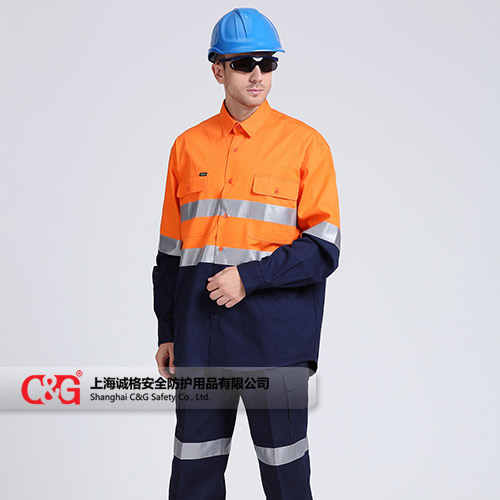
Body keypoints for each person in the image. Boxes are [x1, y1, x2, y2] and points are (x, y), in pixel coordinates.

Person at [152, 7, 341, 499]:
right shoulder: (187, 147)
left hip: (276, 342)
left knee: (285, 475)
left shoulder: (305, 145)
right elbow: (170, 254)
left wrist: (248, 277)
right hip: (200, 339)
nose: (258, 74)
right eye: (243, 63)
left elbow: (323, 249)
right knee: (193, 473)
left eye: (267, 62)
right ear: (218, 70)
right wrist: (167, 330)